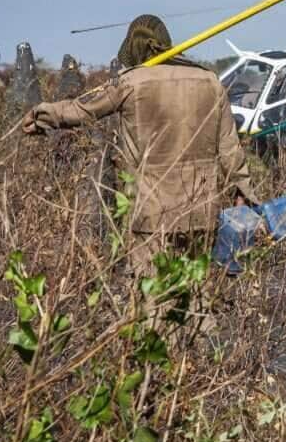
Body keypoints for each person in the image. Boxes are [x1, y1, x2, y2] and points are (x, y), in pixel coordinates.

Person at [23, 15, 258, 284]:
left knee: (154, 294)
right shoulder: (210, 82)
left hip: (151, 212)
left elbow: (80, 110)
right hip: (201, 212)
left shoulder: (130, 82)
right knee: (196, 293)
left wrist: (39, 116)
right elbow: (230, 149)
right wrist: (245, 193)